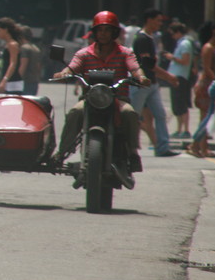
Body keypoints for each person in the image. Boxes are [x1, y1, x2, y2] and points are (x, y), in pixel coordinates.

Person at [52, 11, 148, 178]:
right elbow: (73, 67)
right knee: (75, 112)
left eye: (107, 30)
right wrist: (63, 74)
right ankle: (62, 153)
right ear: (95, 32)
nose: (103, 34)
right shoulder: (84, 53)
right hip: (90, 100)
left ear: (114, 32)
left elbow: (134, 67)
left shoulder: (125, 52)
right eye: (100, 30)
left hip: (118, 99)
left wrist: (141, 76)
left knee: (130, 113)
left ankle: (133, 152)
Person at [130, 8, 180, 158]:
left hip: (152, 84)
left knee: (160, 114)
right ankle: (126, 146)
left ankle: (162, 147)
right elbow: (148, 65)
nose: (160, 24)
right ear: (149, 20)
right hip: (141, 84)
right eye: (158, 20)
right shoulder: (142, 39)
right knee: (132, 116)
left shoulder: (151, 38)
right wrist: (169, 76)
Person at [188, 20, 215, 158]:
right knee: (207, 118)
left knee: (211, 118)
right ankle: (198, 147)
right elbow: (207, 68)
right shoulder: (208, 47)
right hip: (208, 84)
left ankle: (200, 146)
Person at [164, 22, 194, 138]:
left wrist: (172, 58)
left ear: (178, 32)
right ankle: (179, 129)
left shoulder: (185, 44)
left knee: (182, 104)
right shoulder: (181, 43)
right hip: (176, 76)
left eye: (173, 34)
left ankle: (185, 130)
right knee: (176, 105)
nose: (172, 36)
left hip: (180, 77)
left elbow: (185, 61)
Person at [0, 17, 26, 94]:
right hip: (9, 82)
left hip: (13, 83)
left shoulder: (12, 44)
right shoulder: (7, 44)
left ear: (5, 30)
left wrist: (4, 80)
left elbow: (13, 63)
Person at [19, 26, 44, 96]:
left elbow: (23, 66)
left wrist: (18, 79)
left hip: (26, 82)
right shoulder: (36, 48)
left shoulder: (24, 48)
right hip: (34, 81)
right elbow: (39, 66)